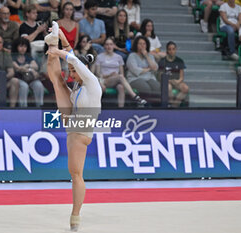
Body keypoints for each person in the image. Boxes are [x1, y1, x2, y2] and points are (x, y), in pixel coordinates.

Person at [45, 21, 102, 232]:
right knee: (57, 81)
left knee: (76, 175)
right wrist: (59, 35)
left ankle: (75, 216)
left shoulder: (91, 80)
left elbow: (71, 58)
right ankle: (52, 39)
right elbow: (70, 54)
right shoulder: (78, 85)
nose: (72, 74)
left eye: (73, 71)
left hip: (82, 128)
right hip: (75, 124)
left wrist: (56, 50)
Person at [94, 37, 146, 107]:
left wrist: (116, 76)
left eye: (111, 44)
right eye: (107, 44)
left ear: (114, 46)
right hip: (104, 80)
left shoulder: (119, 57)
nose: (109, 46)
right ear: (104, 46)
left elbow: (122, 74)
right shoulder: (100, 57)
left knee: (121, 87)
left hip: (116, 80)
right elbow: (98, 73)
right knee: (120, 77)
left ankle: (120, 109)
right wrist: (109, 75)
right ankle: (135, 97)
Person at [126, 36, 160, 102]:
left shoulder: (150, 56)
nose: (142, 46)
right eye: (140, 44)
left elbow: (155, 68)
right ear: (136, 45)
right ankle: (143, 105)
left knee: (157, 87)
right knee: (146, 88)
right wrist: (149, 69)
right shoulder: (132, 56)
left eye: (144, 44)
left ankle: (154, 107)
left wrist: (146, 56)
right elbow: (135, 70)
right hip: (135, 78)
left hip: (149, 78)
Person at [12, 37, 44, 107]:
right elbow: (18, 68)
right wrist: (30, 68)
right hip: (18, 79)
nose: (23, 48)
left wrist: (27, 67)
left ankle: (40, 106)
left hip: (30, 78)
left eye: (25, 46)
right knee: (24, 86)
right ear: (16, 47)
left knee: (38, 85)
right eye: (21, 46)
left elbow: (36, 66)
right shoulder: (13, 57)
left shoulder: (28, 56)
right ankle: (23, 107)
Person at [158, 41, 189, 107]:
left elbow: (181, 77)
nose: (172, 51)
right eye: (170, 49)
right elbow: (160, 76)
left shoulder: (180, 61)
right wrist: (169, 81)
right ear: (167, 50)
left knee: (186, 88)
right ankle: (170, 105)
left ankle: (174, 105)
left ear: (176, 49)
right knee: (168, 88)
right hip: (166, 81)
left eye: (173, 49)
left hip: (177, 81)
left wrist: (177, 81)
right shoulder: (162, 61)